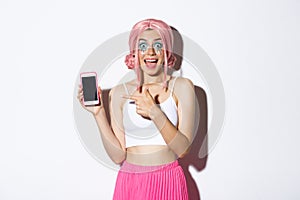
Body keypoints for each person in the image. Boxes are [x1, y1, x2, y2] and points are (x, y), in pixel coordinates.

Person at [77, 18, 196, 200]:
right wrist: (99, 113)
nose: (150, 52)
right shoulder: (118, 93)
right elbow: (118, 156)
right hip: (130, 182)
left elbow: (183, 149)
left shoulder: (182, 87)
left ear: (167, 51)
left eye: (158, 45)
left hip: (168, 179)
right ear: (134, 53)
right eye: (142, 46)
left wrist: (155, 113)